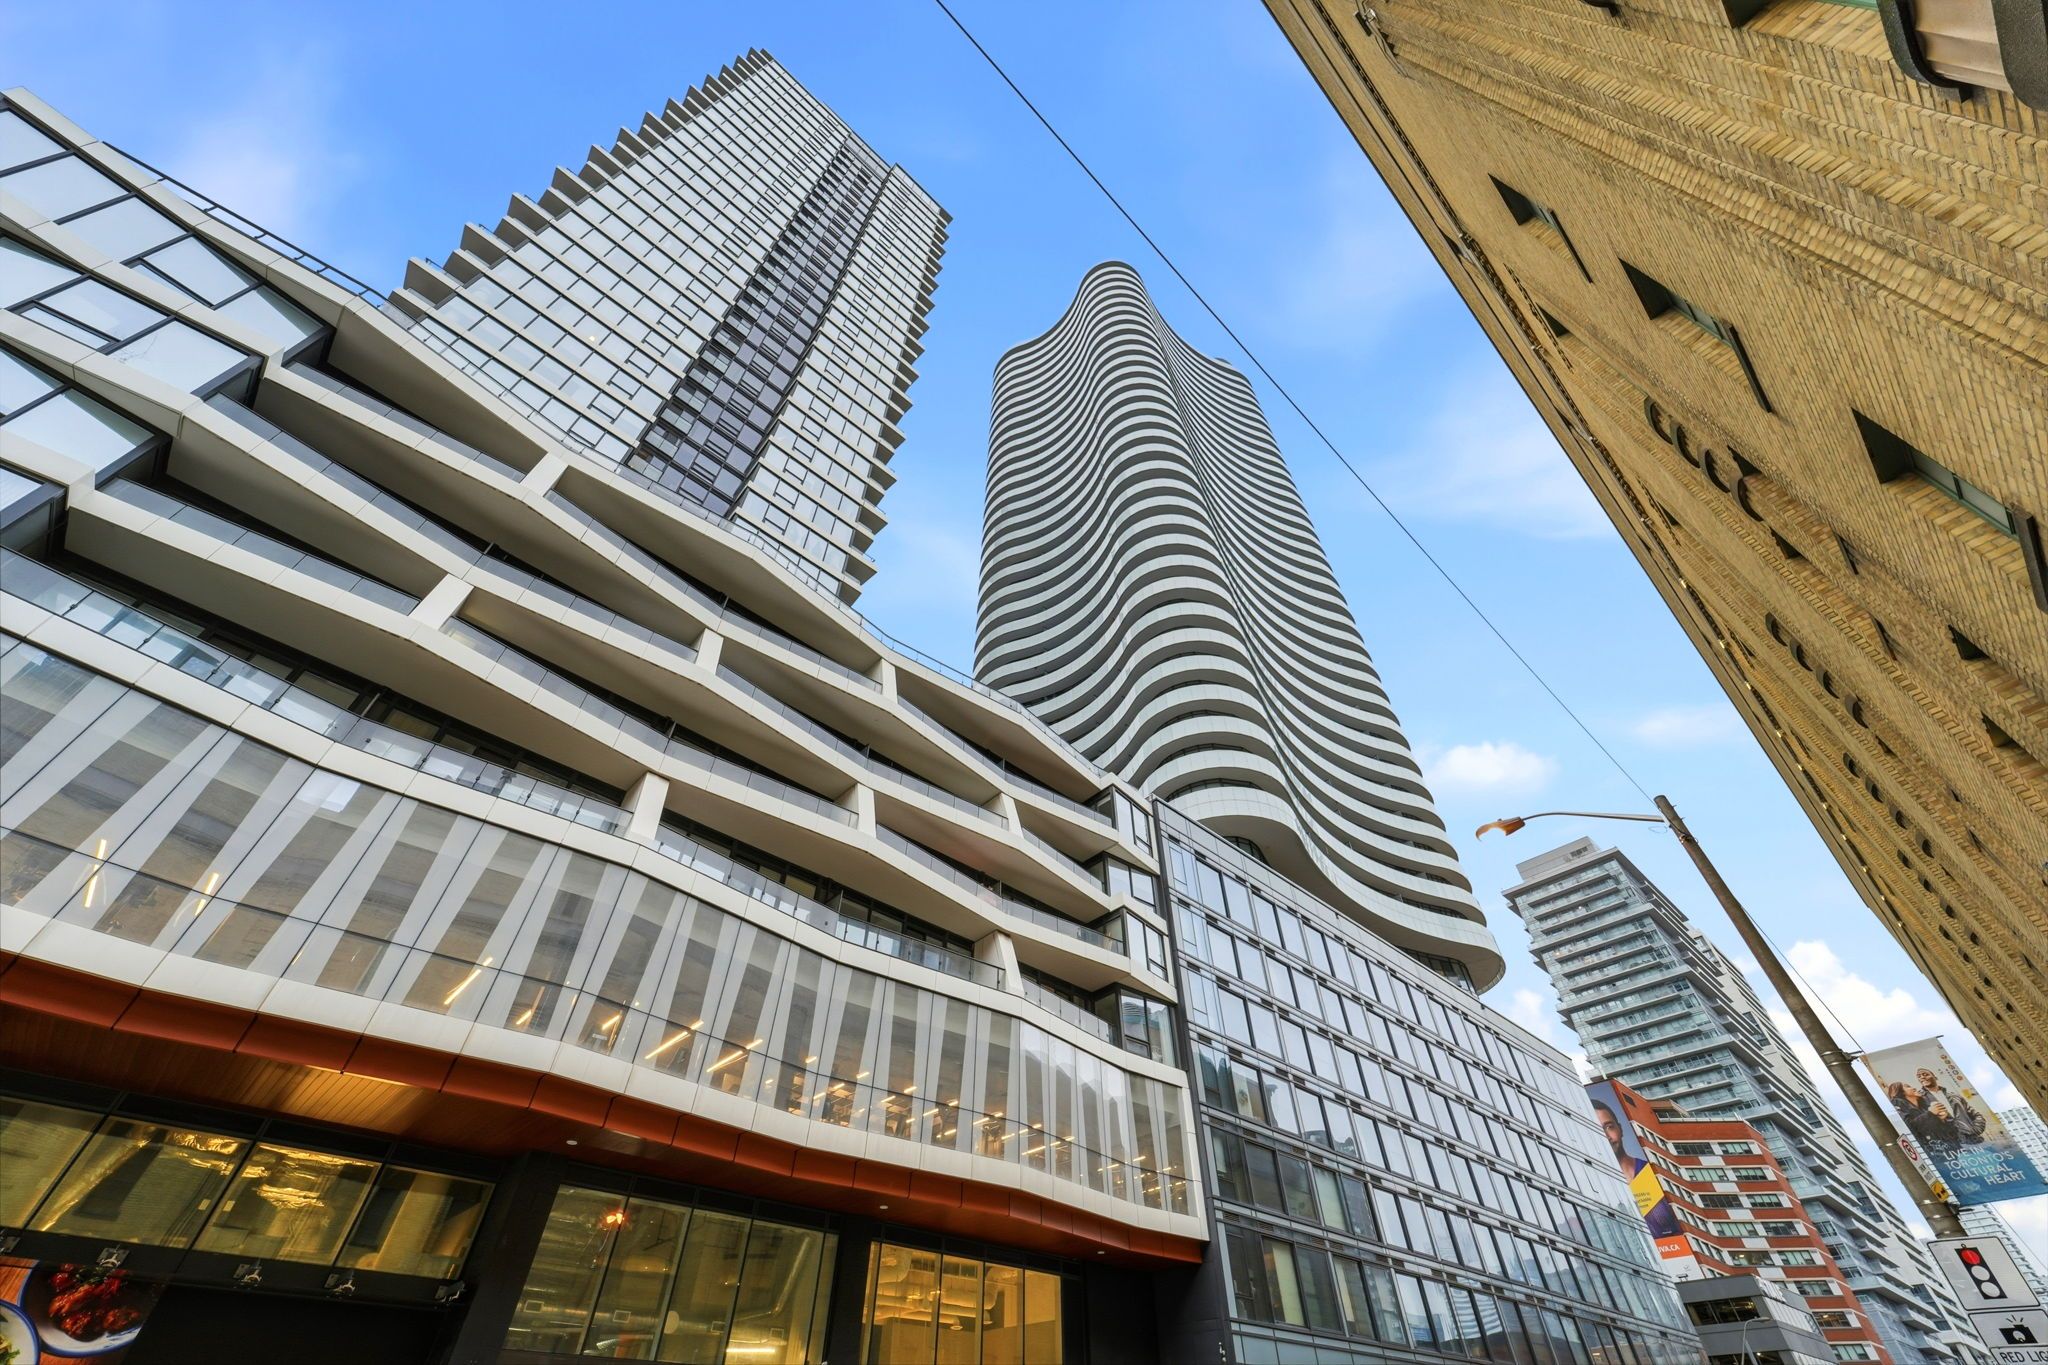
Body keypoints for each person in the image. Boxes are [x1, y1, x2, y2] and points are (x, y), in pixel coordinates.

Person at [1595, 1099, 1678, 1240]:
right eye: (1597, 1129)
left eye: (1609, 1127)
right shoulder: (1595, 1187)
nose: (1606, 1136)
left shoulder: (1649, 1171)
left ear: (1620, 1129)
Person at [1914, 1066, 1986, 1144]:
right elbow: (1919, 1123)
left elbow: (1976, 1115)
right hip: (1951, 1144)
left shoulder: (1955, 1097)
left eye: (1925, 1074)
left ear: (1935, 1077)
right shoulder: (1919, 1099)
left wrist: (1975, 1130)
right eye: (1919, 1076)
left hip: (1972, 1140)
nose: (1922, 1077)